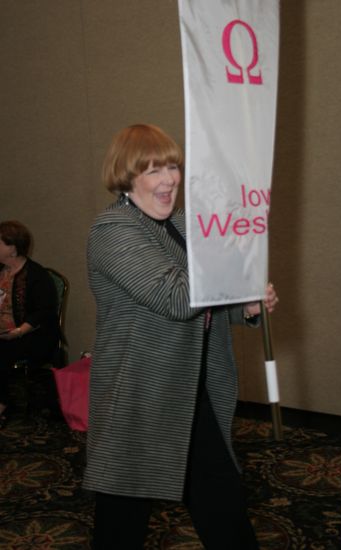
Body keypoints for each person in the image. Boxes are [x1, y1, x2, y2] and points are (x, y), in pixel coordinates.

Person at [84, 124, 279, 549]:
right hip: (138, 396)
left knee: (224, 511)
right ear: (126, 176)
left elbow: (205, 300)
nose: (169, 179)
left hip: (192, 394)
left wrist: (243, 304)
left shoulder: (178, 226)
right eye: (154, 171)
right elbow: (176, 297)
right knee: (121, 523)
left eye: (172, 167)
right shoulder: (113, 229)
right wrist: (230, 267)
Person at [0, 220, 60, 427]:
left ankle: (2, 405)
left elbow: (44, 313)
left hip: (33, 335)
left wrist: (18, 331)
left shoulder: (37, 275)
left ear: (13, 248)